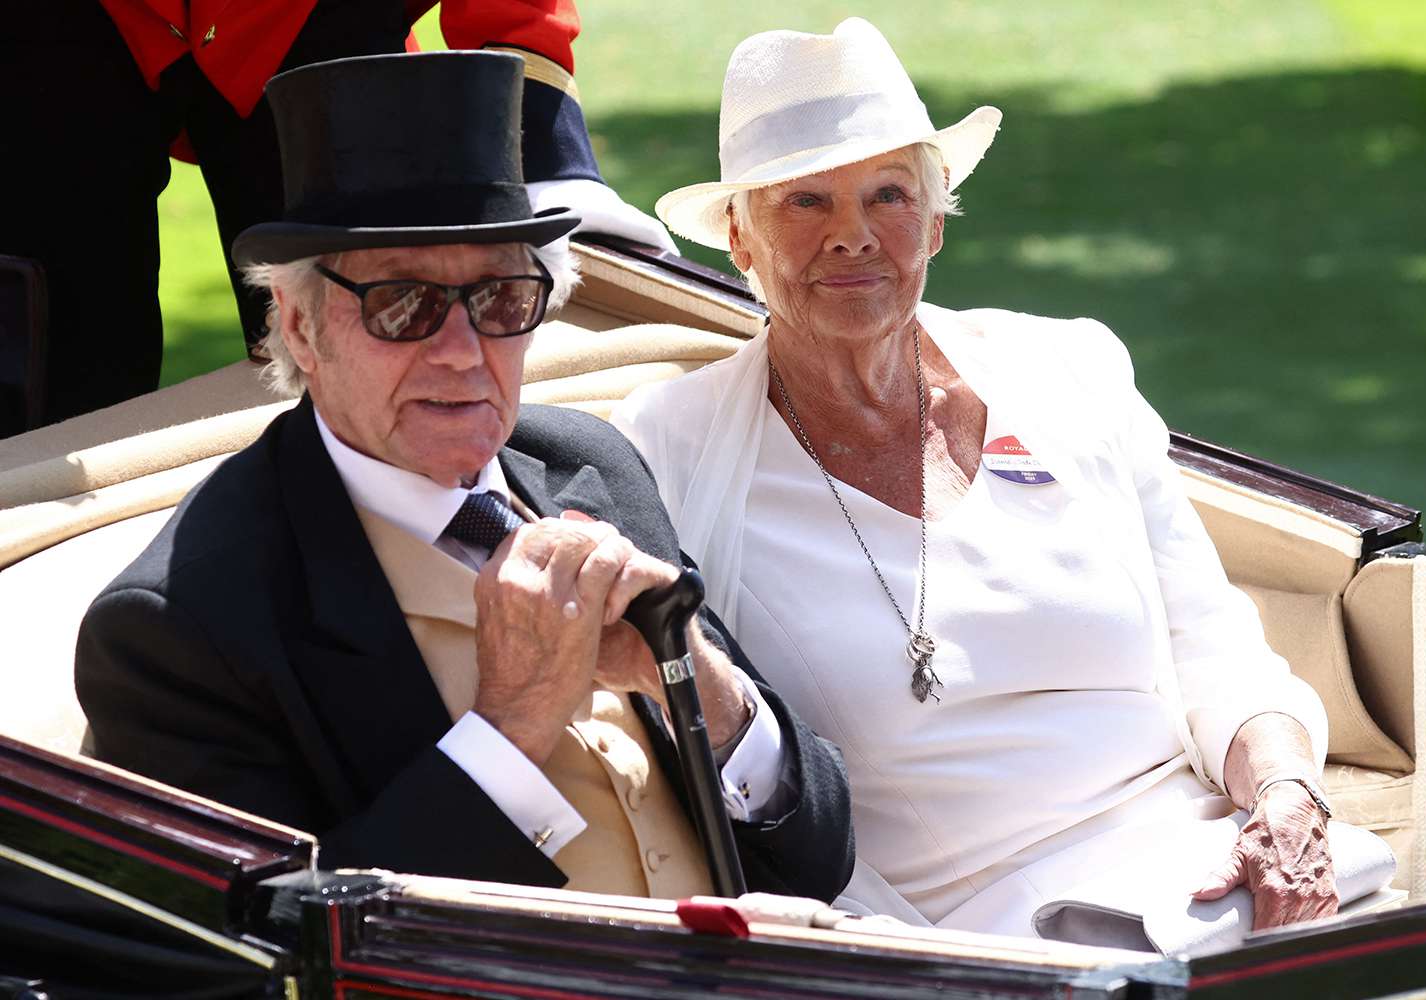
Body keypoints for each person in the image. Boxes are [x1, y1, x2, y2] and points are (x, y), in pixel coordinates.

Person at [612, 19, 1339, 937]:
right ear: (739, 241)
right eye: (804, 201)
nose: (853, 237)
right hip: (966, 935)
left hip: (1212, 868)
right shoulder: (667, 451)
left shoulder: (1070, 367)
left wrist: (1283, 794)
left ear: (936, 220)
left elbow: (1214, 644)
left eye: (889, 194)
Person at [74, 50, 852, 901]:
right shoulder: (181, 628)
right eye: (401, 305)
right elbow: (261, 951)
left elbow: (818, 855)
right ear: (299, 328)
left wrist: (692, 681)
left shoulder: (585, 464)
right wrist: (511, 723)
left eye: (500, 301)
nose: (460, 352)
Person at [1, 0, 671, 430]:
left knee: (379, 343)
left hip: (308, 15)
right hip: (71, 26)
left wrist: (552, 162)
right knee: (45, 380)